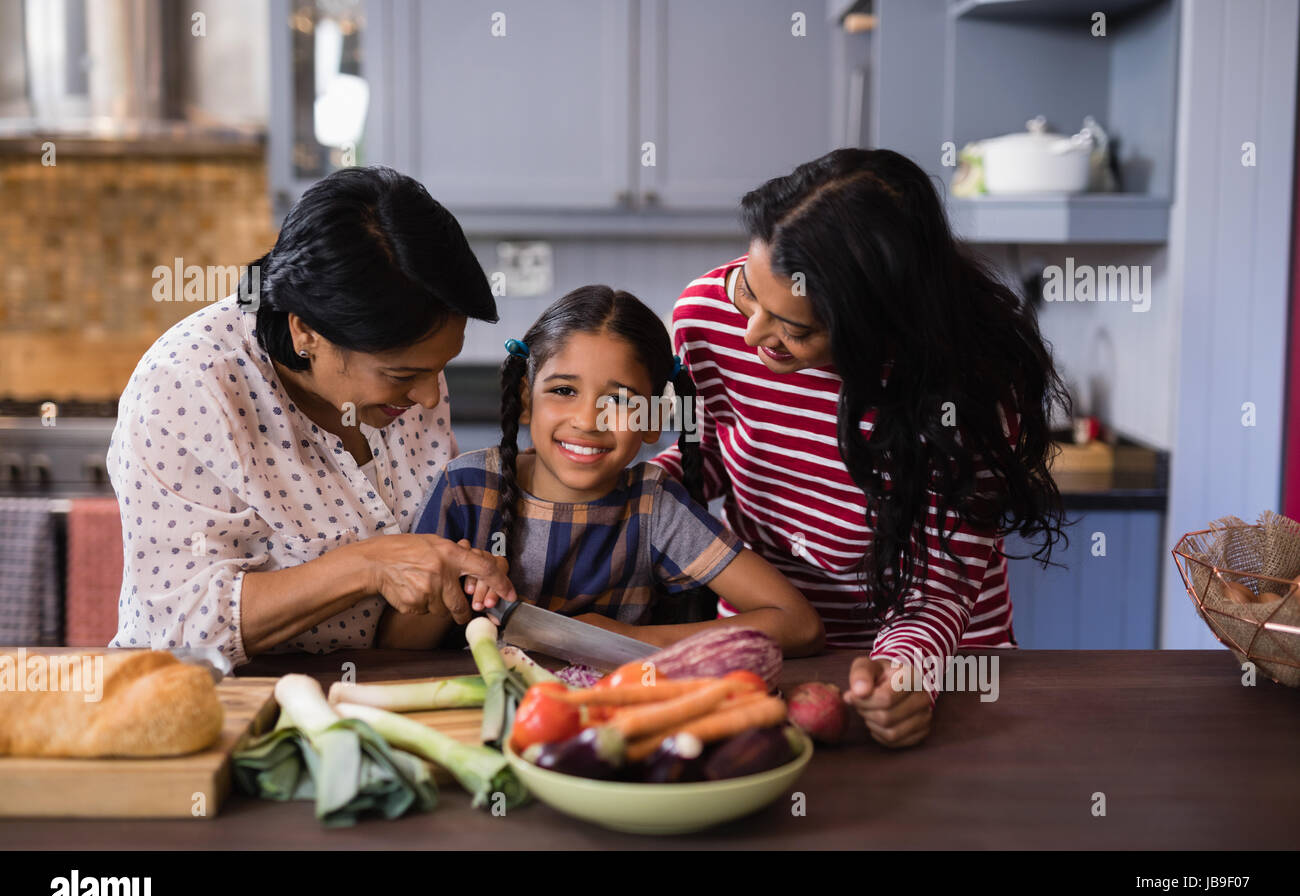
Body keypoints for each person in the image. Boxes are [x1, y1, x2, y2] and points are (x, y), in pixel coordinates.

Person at [651, 149, 1067, 747]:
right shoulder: (705, 318)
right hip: (775, 645)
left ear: (878, 321)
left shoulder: (968, 385)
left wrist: (906, 676)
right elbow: (713, 450)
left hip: (941, 662)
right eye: (750, 290)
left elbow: (940, 582)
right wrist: (640, 491)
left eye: (794, 329)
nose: (752, 333)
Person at [107, 166, 516, 666]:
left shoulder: (406, 364)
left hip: (371, 688)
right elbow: (180, 628)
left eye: (440, 368)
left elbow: (416, 577)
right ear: (305, 333)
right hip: (222, 706)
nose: (431, 397)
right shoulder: (187, 388)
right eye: (402, 374)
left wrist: (451, 570)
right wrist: (366, 566)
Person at [380, 285, 824, 654]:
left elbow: (799, 625)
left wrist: (627, 639)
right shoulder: (468, 488)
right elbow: (395, 653)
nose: (589, 420)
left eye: (622, 400)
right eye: (564, 390)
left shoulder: (655, 507)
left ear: (652, 422)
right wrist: (447, 590)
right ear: (526, 400)